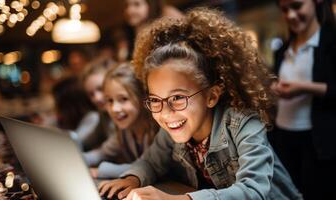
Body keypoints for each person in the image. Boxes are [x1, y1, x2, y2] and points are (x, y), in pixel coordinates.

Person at [99, 7, 302, 200]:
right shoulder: (172, 128)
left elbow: (253, 191)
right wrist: (132, 179)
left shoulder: (243, 124)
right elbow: (151, 162)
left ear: (212, 96)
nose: (167, 113)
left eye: (177, 98)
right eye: (155, 100)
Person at [270, 0, 336, 199]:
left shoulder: (331, 43)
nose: (290, 15)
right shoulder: (283, 48)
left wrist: (304, 88)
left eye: (297, 6)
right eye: (284, 10)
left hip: (317, 145)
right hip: (284, 138)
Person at [85, 63, 159, 179]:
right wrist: (74, 160)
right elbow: (101, 153)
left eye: (123, 99)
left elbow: (150, 167)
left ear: (142, 97)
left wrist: (101, 171)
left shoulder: (156, 129)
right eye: (109, 100)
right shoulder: (124, 131)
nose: (114, 109)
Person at [51, 76, 99, 150]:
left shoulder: (92, 117)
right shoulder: (72, 119)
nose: (55, 106)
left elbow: (71, 144)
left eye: (57, 102)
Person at [80, 58, 116, 151]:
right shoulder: (104, 114)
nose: (97, 98)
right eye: (91, 94)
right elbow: (90, 140)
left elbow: (105, 152)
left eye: (100, 88)